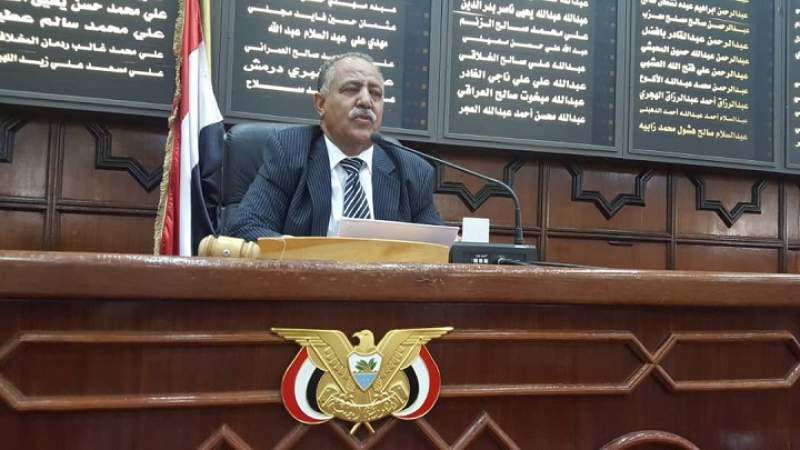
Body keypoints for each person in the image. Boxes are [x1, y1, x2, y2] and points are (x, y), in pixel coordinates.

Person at [225, 52, 442, 241]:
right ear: (321, 104)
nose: (366, 101)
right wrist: (307, 258)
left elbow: (439, 247)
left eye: (375, 93)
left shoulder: (413, 170)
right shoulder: (290, 151)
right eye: (352, 89)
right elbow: (246, 227)